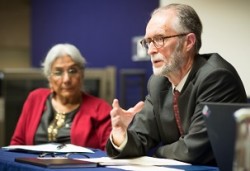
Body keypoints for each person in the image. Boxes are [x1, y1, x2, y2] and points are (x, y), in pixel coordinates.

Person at [106, 3, 247, 165]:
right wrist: (121, 135)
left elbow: (194, 151)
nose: (150, 50)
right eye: (148, 42)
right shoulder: (158, 83)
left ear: (188, 42)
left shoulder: (216, 77)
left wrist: (156, 152)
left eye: (159, 39)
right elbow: (140, 139)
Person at [10, 43, 112, 150]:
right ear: (49, 78)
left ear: (82, 74)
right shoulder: (35, 98)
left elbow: (110, 153)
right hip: (33, 166)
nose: (66, 79)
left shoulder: (100, 109)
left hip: (78, 167)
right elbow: (17, 144)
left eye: (73, 71)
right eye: (58, 72)